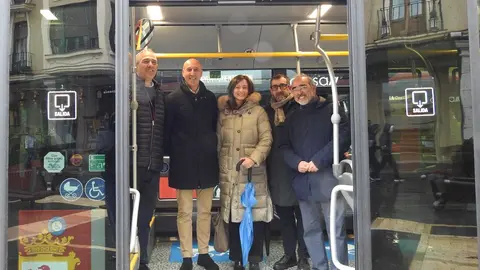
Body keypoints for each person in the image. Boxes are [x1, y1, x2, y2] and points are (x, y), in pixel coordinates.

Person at [102, 48, 165, 270]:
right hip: (127, 167)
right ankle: (120, 258)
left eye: (154, 62)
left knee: (144, 218)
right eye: (146, 61)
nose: (150, 65)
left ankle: (143, 260)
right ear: (136, 66)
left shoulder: (160, 93)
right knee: (122, 217)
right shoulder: (127, 90)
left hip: (151, 166)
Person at [280, 73, 350, 270]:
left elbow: (343, 136)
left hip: (328, 179)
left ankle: (339, 267)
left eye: (303, 87)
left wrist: (319, 160)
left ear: (313, 88)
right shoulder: (292, 116)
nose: (299, 92)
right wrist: (297, 163)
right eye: (294, 89)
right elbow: (283, 147)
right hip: (303, 181)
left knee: (336, 229)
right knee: (310, 230)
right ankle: (320, 267)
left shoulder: (332, 110)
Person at [164, 59, 219, 270]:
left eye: (196, 69)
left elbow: (214, 126)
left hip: (207, 163)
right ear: (183, 72)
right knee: (184, 212)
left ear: (201, 73)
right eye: (189, 69)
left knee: (205, 212)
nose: (192, 73)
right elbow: (167, 133)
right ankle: (187, 257)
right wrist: (176, 153)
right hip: (183, 164)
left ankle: (204, 254)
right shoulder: (172, 99)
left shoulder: (210, 98)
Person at [217, 75, 273, 270]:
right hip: (229, 172)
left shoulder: (259, 112)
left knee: (254, 215)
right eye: (237, 87)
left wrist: (254, 158)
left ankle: (255, 258)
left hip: (252, 172)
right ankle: (237, 257)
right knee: (232, 216)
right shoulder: (223, 113)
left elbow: (266, 139)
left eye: (244, 87)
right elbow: (218, 141)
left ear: (249, 90)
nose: (241, 90)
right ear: (231, 88)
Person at [263, 74, 309, 270]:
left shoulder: (300, 107)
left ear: (289, 88)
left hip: (300, 169)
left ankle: (304, 257)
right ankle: (289, 255)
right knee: (286, 220)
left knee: (305, 218)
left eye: (283, 85)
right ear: (271, 91)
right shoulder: (265, 112)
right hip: (277, 172)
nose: (279, 90)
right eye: (275, 87)